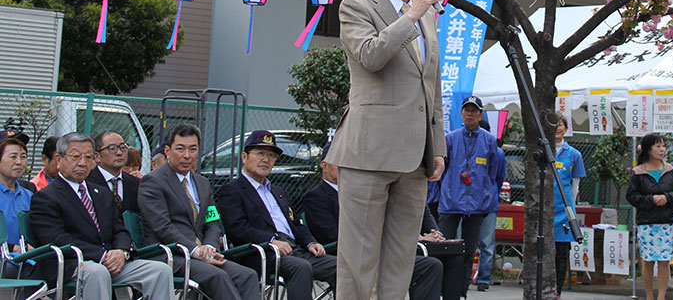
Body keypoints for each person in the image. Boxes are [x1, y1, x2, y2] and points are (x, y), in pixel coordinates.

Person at [325, 0, 446, 300]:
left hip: (415, 158)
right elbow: (371, 56)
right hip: (368, 153)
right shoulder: (357, 5)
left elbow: (432, 85)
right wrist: (411, 15)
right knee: (358, 261)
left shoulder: (427, 18)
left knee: (400, 259)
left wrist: (437, 146)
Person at [30, 132, 174, 300]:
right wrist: (101, 255)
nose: (82, 163)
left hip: (111, 261)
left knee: (160, 271)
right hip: (73, 263)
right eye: (75, 157)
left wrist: (121, 252)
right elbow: (56, 238)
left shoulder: (101, 193)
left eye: (88, 157)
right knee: (97, 272)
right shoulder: (46, 197)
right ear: (59, 158)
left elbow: (119, 229)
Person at [304, 146, 454, 300]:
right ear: (324, 165)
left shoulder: (363, 191)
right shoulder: (316, 197)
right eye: (339, 162)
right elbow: (330, 235)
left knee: (433, 264)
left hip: (382, 251)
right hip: (347, 253)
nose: (344, 167)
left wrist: (425, 235)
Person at [138, 123, 260, 300]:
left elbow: (212, 221)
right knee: (218, 276)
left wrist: (209, 246)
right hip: (170, 254)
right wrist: (196, 250)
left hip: (202, 254)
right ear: (167, 150)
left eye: (193, 149)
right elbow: (162, 227)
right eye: (180, 149)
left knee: (248, 275)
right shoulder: (153, 182)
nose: (187, 155)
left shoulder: (202, 183)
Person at [216, 130, 337, 300]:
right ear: (244, 157)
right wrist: (272, 240)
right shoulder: (232, 191)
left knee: (340, 267)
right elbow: (237, 228)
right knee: (300, 267)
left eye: (271, 156)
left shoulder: (278, 191)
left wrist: (310, 242)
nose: (266, 160)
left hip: (295, 249)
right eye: (260, 154)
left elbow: (296, 224)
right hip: (261, 253)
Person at [438, 96, 501, 296]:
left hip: (477, 207)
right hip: (451, 204)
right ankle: (443, 289)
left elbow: (493, 173)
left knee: (468, 251)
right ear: (462, 113)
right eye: (467, 110)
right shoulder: (451, 138)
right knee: (443, 249)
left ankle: (461, 290)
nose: (470, 114)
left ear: (481, 114)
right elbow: (443, 169)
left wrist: (485, 195)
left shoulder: (490, 141)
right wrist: (448, 190)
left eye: (474, 111)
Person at [628, 133, 673, 300]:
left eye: (663, 146)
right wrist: (650, 200)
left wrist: (667, 197)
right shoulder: (638, 172)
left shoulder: (671, 171)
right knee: (648, 260)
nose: (662, 150)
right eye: (658, 146)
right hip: (646, 222)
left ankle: (662, 296)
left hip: (667, 221)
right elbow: (632, 196)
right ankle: (649, 295)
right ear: (648, 149)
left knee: (664, 261)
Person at [552, 112, 585, 298]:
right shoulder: (543, 151)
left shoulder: (574, 155)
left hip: (564, 213)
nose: (558, 128)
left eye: (561, 124)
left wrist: (570, 209)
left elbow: (575, 186)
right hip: (545, 211)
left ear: (566, 128)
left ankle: (557, 291)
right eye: (555, 124)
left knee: (561, 255)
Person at [0, 128, 37, 278]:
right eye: (13, 156)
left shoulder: (30, 195)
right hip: (7, 260)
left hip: (28, 259)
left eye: (23, 157)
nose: (19, 162)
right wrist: (11, 248)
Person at [474, 138, 505, 292]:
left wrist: (492, 193)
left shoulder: (498, 153)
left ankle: (483, 278)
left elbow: (499, 178)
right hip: (475, 203)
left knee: (484, 243)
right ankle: (481, 278)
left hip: (486, 203)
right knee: (485, 243)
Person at [88, 130, 140, 213]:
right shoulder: (87, 182)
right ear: (97, 156)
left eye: (123, 147)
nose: (119, 153)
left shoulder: (136, 184)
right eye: (112, 149)